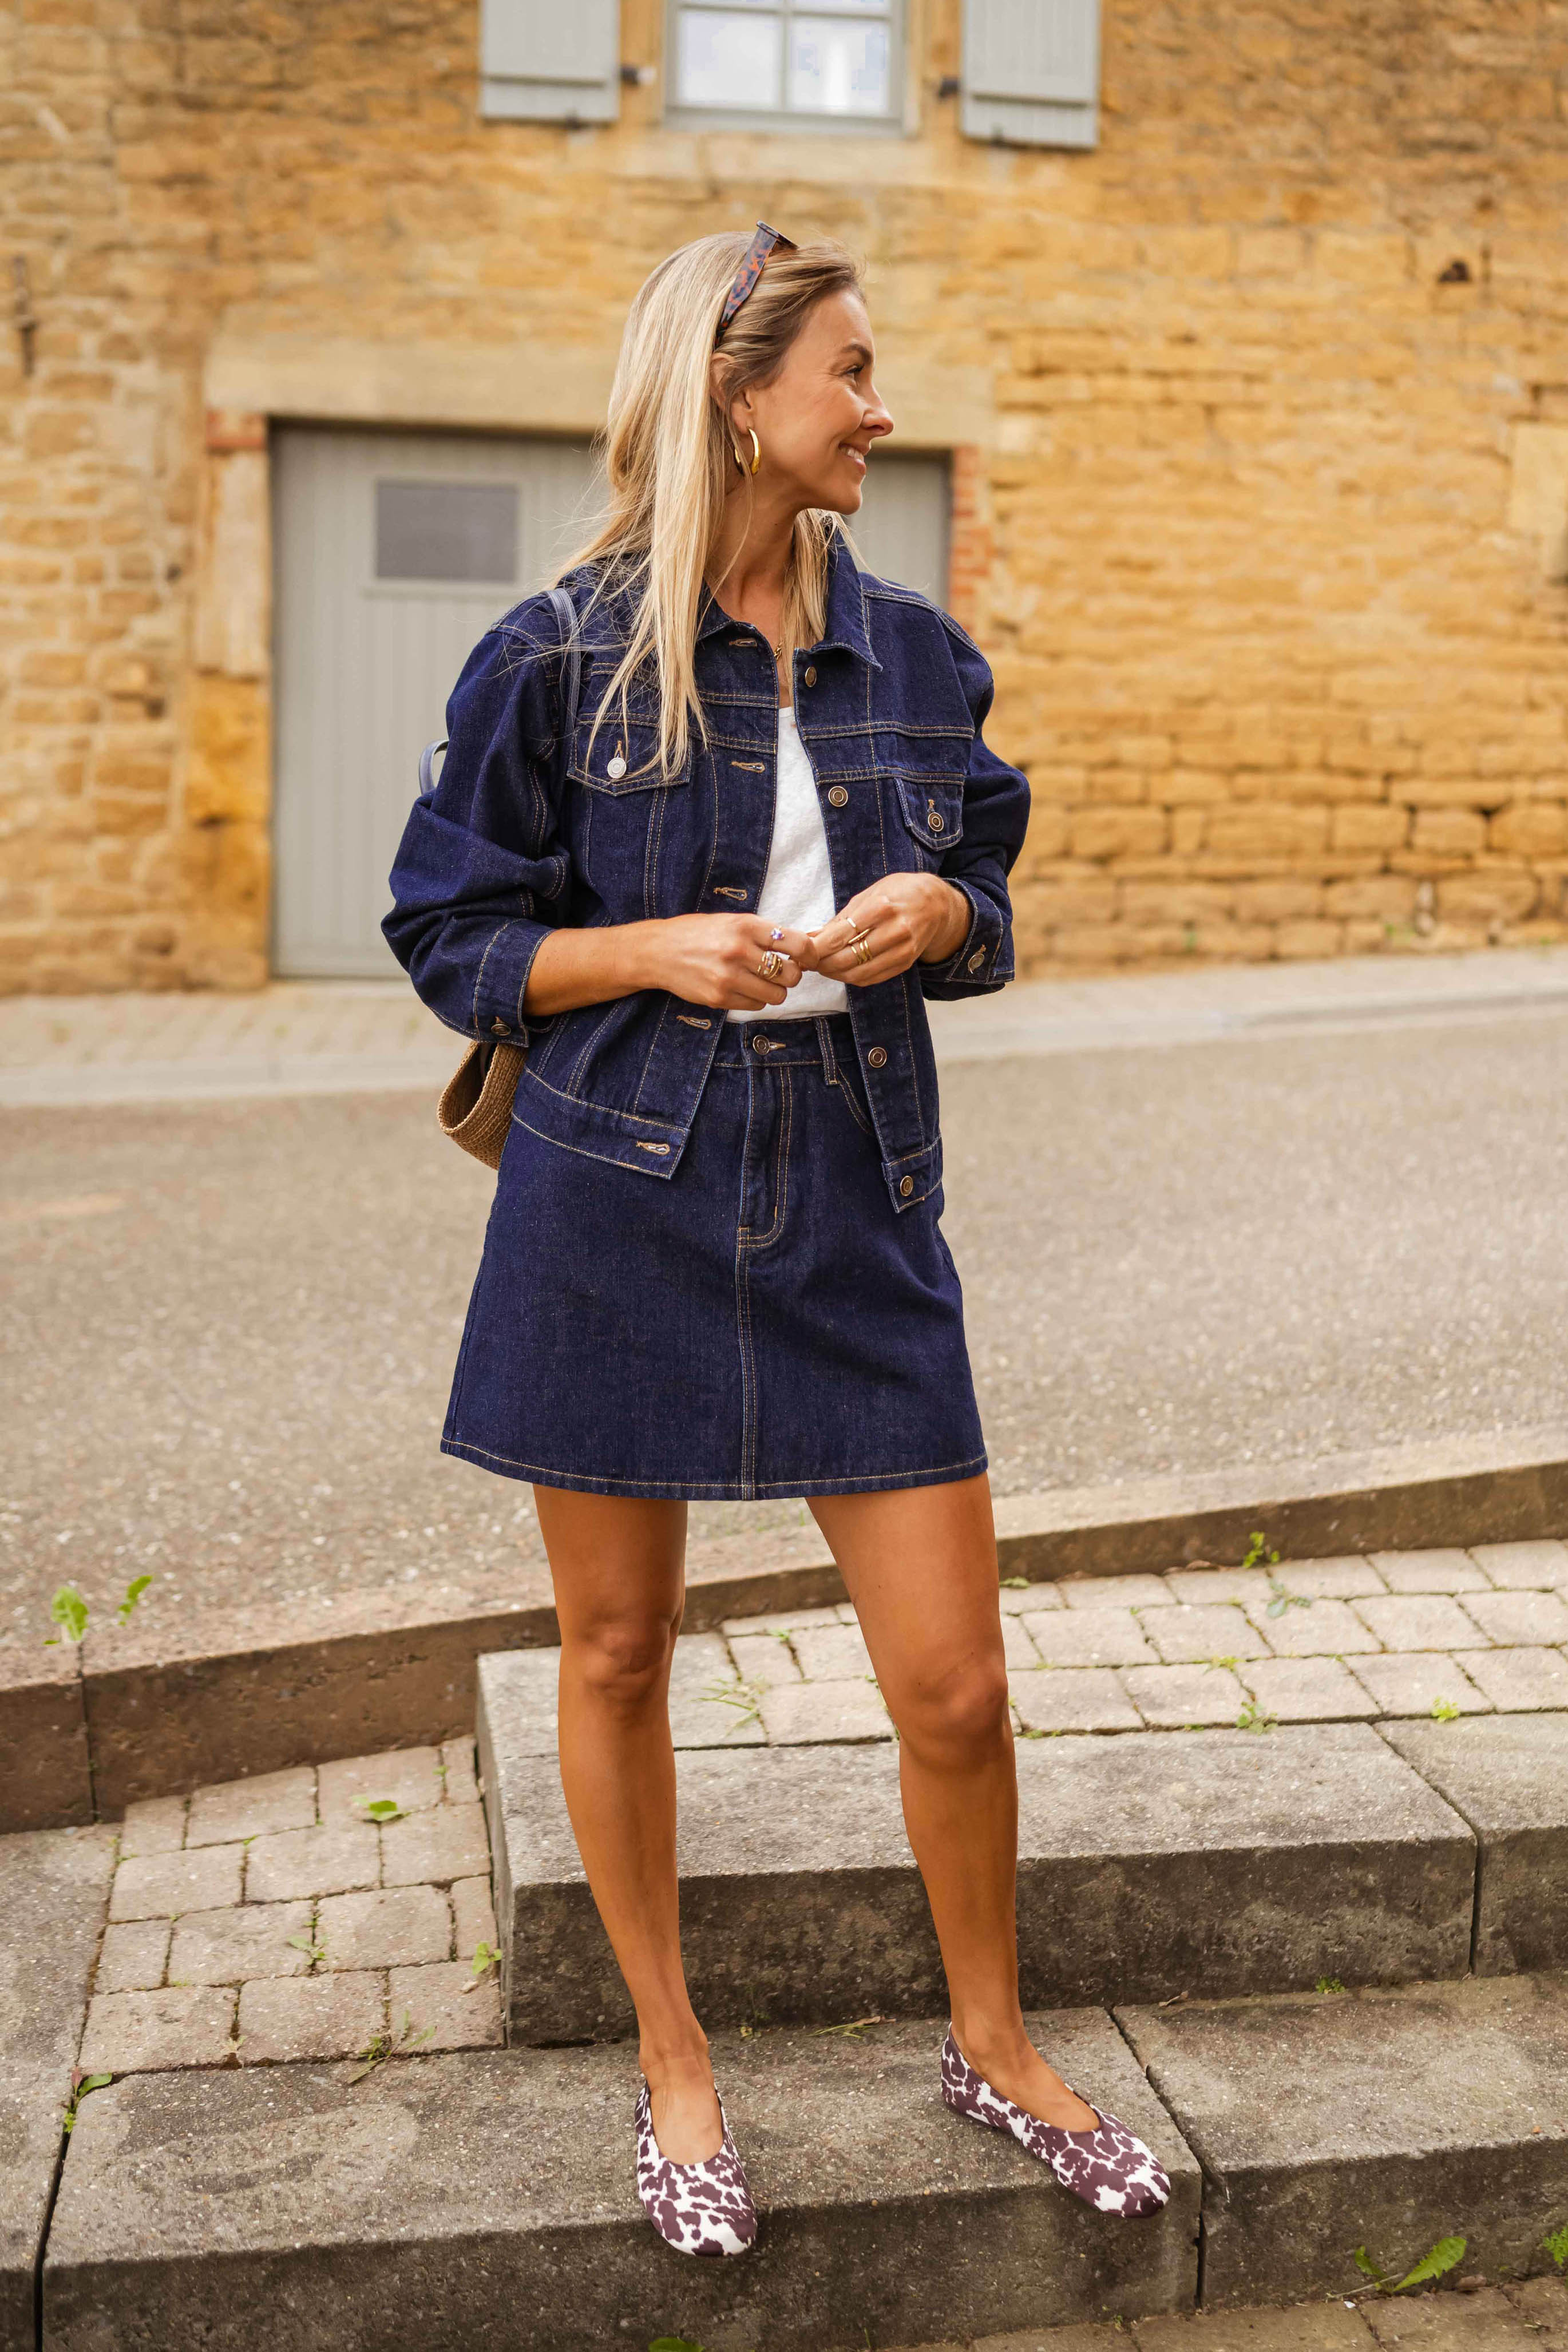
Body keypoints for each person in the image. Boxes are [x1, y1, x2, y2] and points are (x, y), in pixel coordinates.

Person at [385, 223, 1170, 2258]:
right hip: (616, 1183)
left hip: (855, 1180)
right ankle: (674, 2058)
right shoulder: (555, 654)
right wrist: (643, 945)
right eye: (849, 371)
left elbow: (985, 892)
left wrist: (943, 921)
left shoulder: (913, 649)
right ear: (743, 395)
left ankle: (990, 2040)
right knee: (620, 1647)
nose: (876, 407)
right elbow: (446, 934)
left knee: (956, 1688)